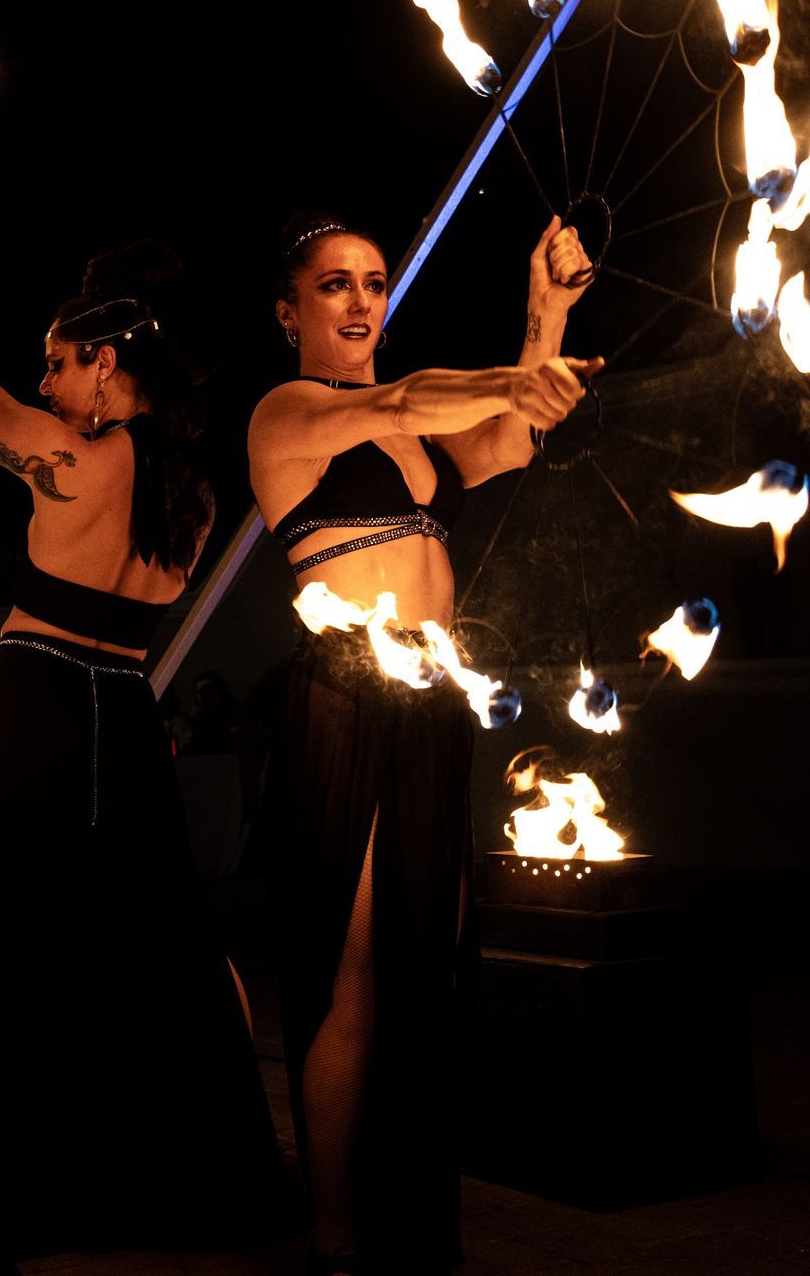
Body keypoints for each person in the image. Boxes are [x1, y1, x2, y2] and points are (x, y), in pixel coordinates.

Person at [0, 191, 289, 1256]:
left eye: (56, 362)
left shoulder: (70, 456)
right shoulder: (195, 497)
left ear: (103, 363)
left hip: (34, 710)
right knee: (150, 948)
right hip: (127, 722)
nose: (44, 383)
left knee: (17, 944)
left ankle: (31, 1196)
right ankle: (178, 1181)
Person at [248, 210, 595, 1273]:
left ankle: (406, 1217)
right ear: (290, 311)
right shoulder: (289, 413)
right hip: (348, 698)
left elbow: (506, 441)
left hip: (433, 703)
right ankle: (336, 1234)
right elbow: (407, 397)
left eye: (374, 281)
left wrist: (547, 310)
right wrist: (515, 378)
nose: (362, 300)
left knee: (427, 964)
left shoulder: (418, 433)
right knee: (352, 970)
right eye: (335, 284)